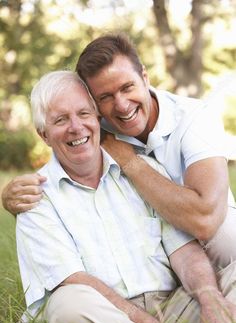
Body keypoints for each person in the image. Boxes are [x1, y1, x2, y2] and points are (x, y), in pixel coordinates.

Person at [14, 70, 236, 323]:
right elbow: (74, 279)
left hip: (174, 312)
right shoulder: (35, 199)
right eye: (60, 120)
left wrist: (207, 297)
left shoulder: (142, 172)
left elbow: (183, 250)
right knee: (66, 305)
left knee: (223, 281)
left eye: (84, 113)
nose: (75, 127)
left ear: (98, 119)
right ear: (44, 134)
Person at [2, 33, 236, 269]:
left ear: (145, 77)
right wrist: (12, 196)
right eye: (106, 97)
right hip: (149, 239)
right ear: (94, 104)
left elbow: (205, 220)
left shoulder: (194, 117)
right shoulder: (92, 128)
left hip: (209, 228)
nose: (122, 105)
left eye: (127, 87)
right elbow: (62, 158)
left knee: (228, 240)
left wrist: (129, 160)